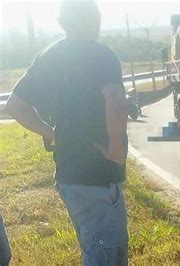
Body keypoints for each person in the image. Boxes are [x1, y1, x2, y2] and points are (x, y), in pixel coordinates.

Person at [5, 0, 129, 265]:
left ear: (62, 21)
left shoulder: (49, 56)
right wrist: (116, 147)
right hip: (97, 172)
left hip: (68, 174)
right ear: (95, 17)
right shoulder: (100, 54)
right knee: (106, 253)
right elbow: (116, 100)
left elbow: (15, 105)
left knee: (93, 246)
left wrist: (52, 133)